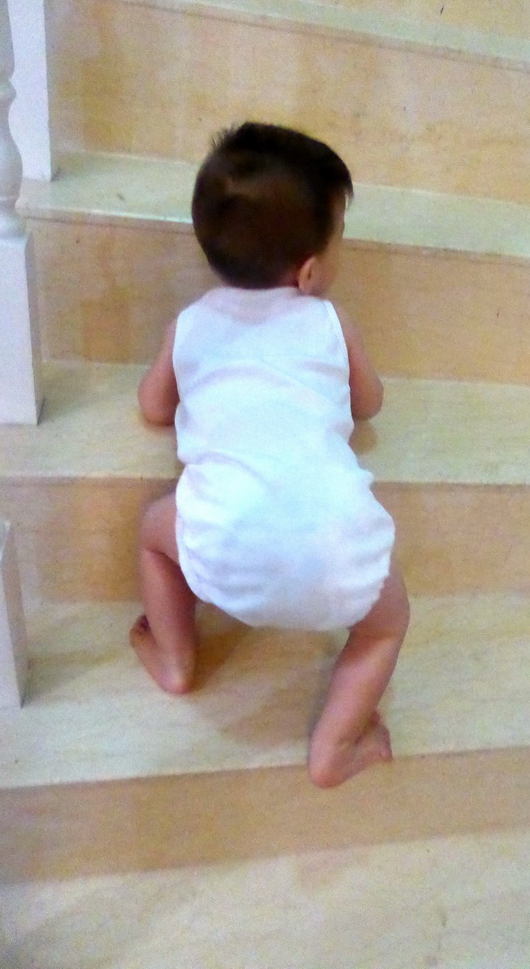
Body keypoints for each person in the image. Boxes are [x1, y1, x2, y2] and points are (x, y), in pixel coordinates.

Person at [132, 122, 410, 789]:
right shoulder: (329, 320)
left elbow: (151, 407)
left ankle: (175, 659)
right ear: (310, 270)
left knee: (150, 533)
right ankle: (335, 749)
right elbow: (368, 402)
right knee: (385, 627)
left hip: (219, 545)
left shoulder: (191, 324)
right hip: (341, 551)